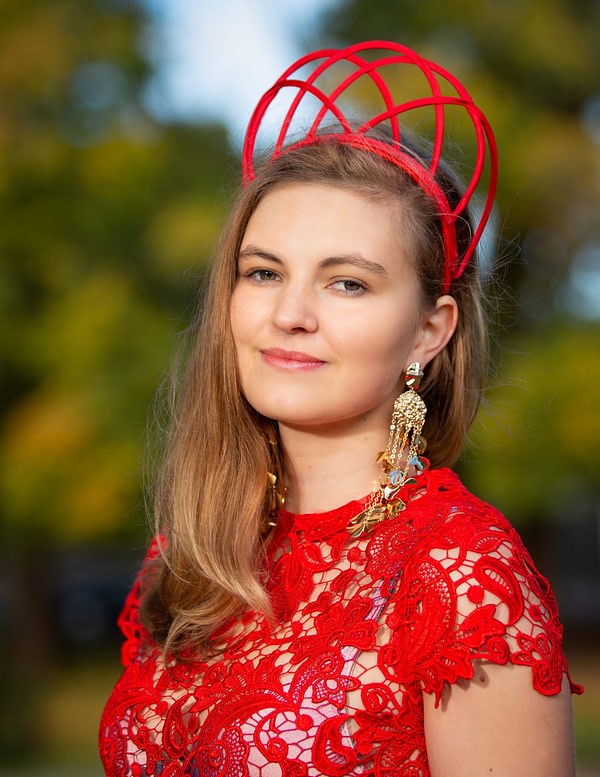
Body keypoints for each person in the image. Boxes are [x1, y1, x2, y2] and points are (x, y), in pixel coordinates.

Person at [100, 41, 582, 777]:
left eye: (347, 283)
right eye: (263, 272)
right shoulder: (190, 550)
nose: (289, 312)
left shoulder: (462, 574)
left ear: (430, 330)